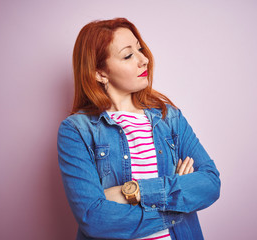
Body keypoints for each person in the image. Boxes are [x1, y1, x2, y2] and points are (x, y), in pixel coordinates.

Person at [57, 17, 221, 240]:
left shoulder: (169, 118)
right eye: (128, 55)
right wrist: (178, 200)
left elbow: (210, 183)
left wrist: (134, 191)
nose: (144, 60)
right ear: (100, 73)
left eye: (140, 49)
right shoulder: (77, 130)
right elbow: (94, 219)